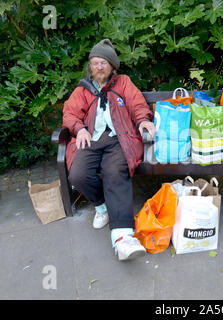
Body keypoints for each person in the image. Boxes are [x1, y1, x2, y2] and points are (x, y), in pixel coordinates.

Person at [63, 39, 156, 261]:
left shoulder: (123, 83)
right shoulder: (83, 89)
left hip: (119, 138)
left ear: (112, 66)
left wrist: (143, 120)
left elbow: (137, 104)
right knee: (78, 174)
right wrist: (80, 129)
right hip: (91, 139)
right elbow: (70, 113)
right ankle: (102, 207)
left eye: (103, 62)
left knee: (115, 173)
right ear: (90, 66)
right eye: (95, 63)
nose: (99, 67)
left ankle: (123, 239)